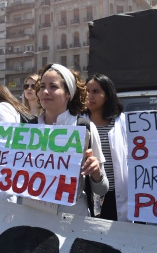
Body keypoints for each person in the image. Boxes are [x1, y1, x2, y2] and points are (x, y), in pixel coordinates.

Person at [36, 63, 108, 216]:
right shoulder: (27, 129)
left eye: (53, 86)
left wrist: (96, 173)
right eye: (42, 86)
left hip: (72, 220)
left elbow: (102, 189)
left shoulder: (84, 128)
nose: (45, 91)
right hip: (33, 217)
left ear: (68, 93)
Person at [83, 73, 128, 221]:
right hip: (87, 193)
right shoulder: (78, 123)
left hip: (116, 194)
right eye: (86, 91)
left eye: (96, 91)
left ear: (107, 95)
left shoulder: (121, 122)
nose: (90, 96)